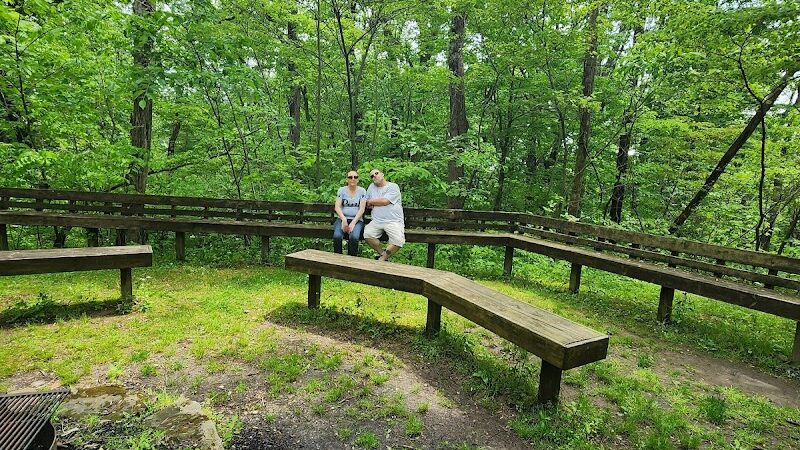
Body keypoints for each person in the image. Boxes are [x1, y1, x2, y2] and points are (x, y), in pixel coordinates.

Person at [364, 169, 405, 261]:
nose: (374, 176)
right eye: (372, 176)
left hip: (393, 221)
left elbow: (385, 201)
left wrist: (372, 202)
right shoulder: (371, 187)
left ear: (382, 174)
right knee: (367, 234)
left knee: (398, 241)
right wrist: (372, 202)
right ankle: (383, 254)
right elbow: (366, 203)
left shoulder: (393, 186)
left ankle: (381, 259)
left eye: (376, 173)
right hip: (377, 221)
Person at [333, 170, 367, 256]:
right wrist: (343, 219)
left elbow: (361, 209)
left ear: (358, 179)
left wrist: (353, 223)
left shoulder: (362, 191)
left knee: (354, 237)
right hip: (342, 219)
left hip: (357, 220)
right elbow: (337, 207)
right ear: (347, 179)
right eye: (350, 177)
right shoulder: (341, 190)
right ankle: (337, 259)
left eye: (355, 177)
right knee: (337, 236)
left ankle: (352, 260)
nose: (353, 179)